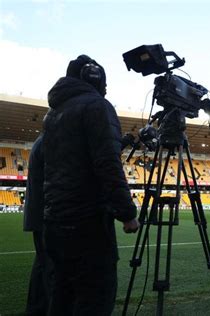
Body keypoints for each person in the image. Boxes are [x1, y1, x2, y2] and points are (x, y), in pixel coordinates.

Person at [42, 55, 139, 315]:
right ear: (93, 77)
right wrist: (127, 213)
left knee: (62, 296)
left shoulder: (52, 113)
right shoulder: (97, 105)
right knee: (95, 299)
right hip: (88, 224)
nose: (106, 88)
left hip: (55, 221)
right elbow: (107, 163)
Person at [23, 134, 53, 316]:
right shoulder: (50, 141)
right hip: (47, 217)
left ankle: (36, 310)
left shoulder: (42, 140)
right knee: (51, 271)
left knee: (42, 267)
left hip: (40, 215)